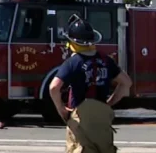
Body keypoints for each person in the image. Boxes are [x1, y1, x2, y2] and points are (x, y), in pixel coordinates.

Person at [49, 14, 133, 153]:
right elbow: (126, 83)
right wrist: (109, 103)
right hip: (102, 118)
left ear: (72, 43)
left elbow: (54, 87)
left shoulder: (73, 62)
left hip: (80, 118)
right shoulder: (106, 60)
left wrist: (61, 108)